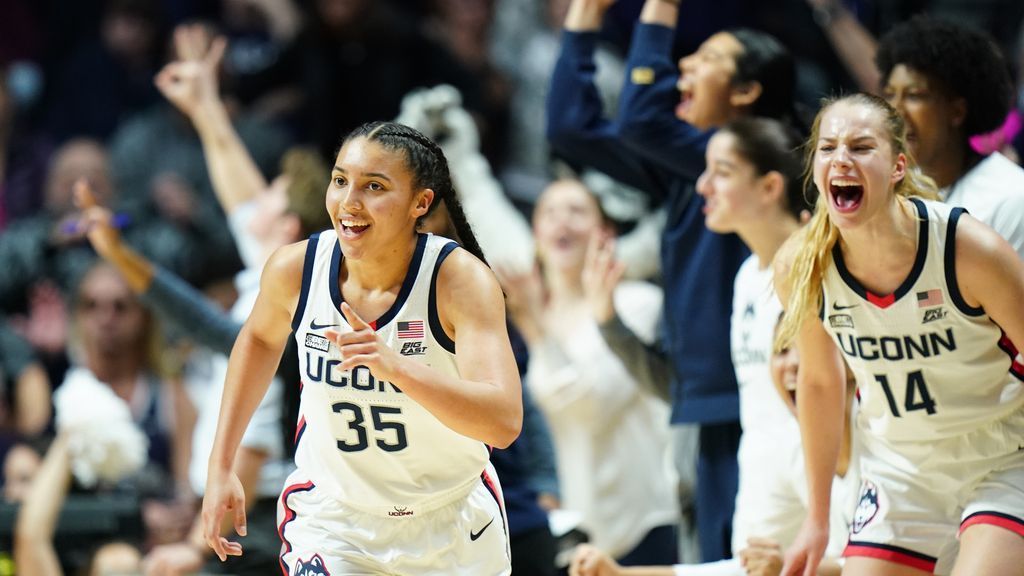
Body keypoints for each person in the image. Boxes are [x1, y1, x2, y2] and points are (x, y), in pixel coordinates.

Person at [201, 121, 523, 575]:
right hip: (334, 520)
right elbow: (257, 340)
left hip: (451, 522)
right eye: (340, 181)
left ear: (421, 203)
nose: (349, 202)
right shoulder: (296, 268)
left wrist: (399, 370)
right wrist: (221, 464)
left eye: (374, 186)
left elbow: (503, 421)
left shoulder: (459, 281)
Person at [547, 0, 796, 562]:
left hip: (751, 404)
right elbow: (570, 126)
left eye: (705, 58)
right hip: (700, 407)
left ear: (747, 92)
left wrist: (659, 8)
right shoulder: (689, 170)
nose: (681, 68)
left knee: (744, 562)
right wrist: (585, 16)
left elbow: (639, 118)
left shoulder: (768, 157)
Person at [776, 93, 1024, 576]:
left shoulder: (965, 247)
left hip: (1003, 453)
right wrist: (818, 517)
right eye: (827, 148)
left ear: (896, 167)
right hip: (901, 469)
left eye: (861, 146)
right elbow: (822, 383)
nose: (841, 158)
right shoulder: (801, 265)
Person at [500, 177, 678, 566]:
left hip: (641, 523)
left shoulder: (637, 305)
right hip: (569, 528)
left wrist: (535, 328)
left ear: (605, 232)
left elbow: (594, 405)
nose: (562, 222)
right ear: (536, 234)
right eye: (549, 213)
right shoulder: (522, 321)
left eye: (577, 211)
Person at [876, 15, 1024, 258]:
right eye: (890, 94)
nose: (896, 111)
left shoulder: (1011, 197)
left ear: (957, 111)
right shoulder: (888, 187)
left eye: (914, 95)